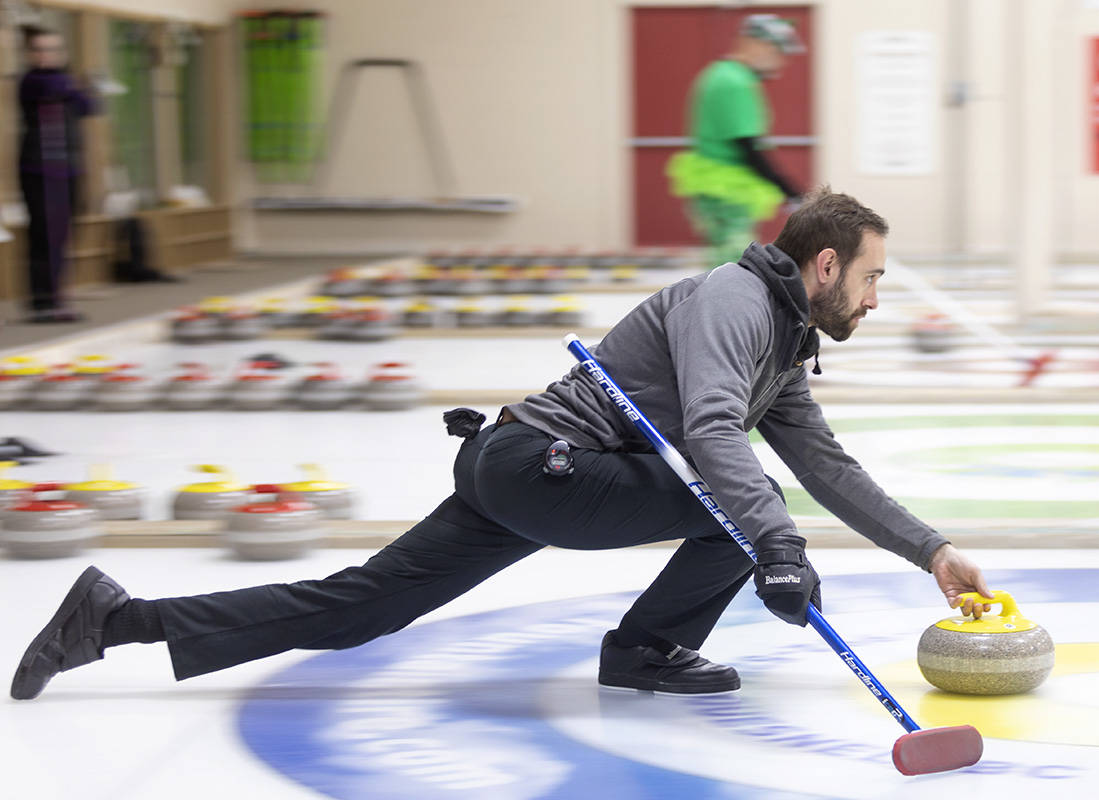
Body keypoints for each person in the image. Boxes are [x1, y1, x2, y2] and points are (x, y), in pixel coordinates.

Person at [11, 187, 993, 701]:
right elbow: (706, 435)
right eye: (870, 277)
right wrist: (773, 542)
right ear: (824, 263)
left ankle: (111, 618)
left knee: (361, 608)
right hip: (541, 463)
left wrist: (931, 550)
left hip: (526, 464)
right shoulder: (737, 301)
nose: (876, 296)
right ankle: (647, 647)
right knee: (738, 511)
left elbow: (826, 466)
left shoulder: (784, 343)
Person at [668, 13, 808, 267]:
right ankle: (721, 306)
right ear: (756, 44)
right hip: (726, 189)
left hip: (716, 185)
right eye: (778, 52)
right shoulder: (735, 82)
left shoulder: (721, 74)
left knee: (727, 258)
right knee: (731, 264)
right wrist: (789, 190)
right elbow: (749, 147)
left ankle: (721, 303)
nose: (781, 62)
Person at [17, 25, 98, 323]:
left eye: (51, 49)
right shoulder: (30, 81)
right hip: (39, 169)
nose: (44, 55)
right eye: (39, 49)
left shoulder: (64, 82)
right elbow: (56, 88)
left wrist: (79, 87)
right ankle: (43, 301)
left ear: (61, 53)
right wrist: (77, 83)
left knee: (64, 234)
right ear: (30, 53)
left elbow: (90, 106)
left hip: (67, 168)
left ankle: (57, 296)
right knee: (44, 234)